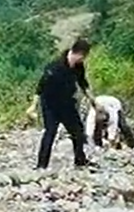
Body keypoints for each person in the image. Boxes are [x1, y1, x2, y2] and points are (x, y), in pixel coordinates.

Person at [35, 39, 93, 170]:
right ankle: (41, 165)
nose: (83, 60)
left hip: (67, 104)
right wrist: (32, 107)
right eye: (84, 56)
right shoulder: (55, 66)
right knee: (50, 133)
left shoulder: (78, 67)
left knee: (78, 131)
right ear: (79, 54)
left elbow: (83, 83)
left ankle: (80, 161)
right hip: (50, 105)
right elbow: (40, 87)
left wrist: (92, 101)